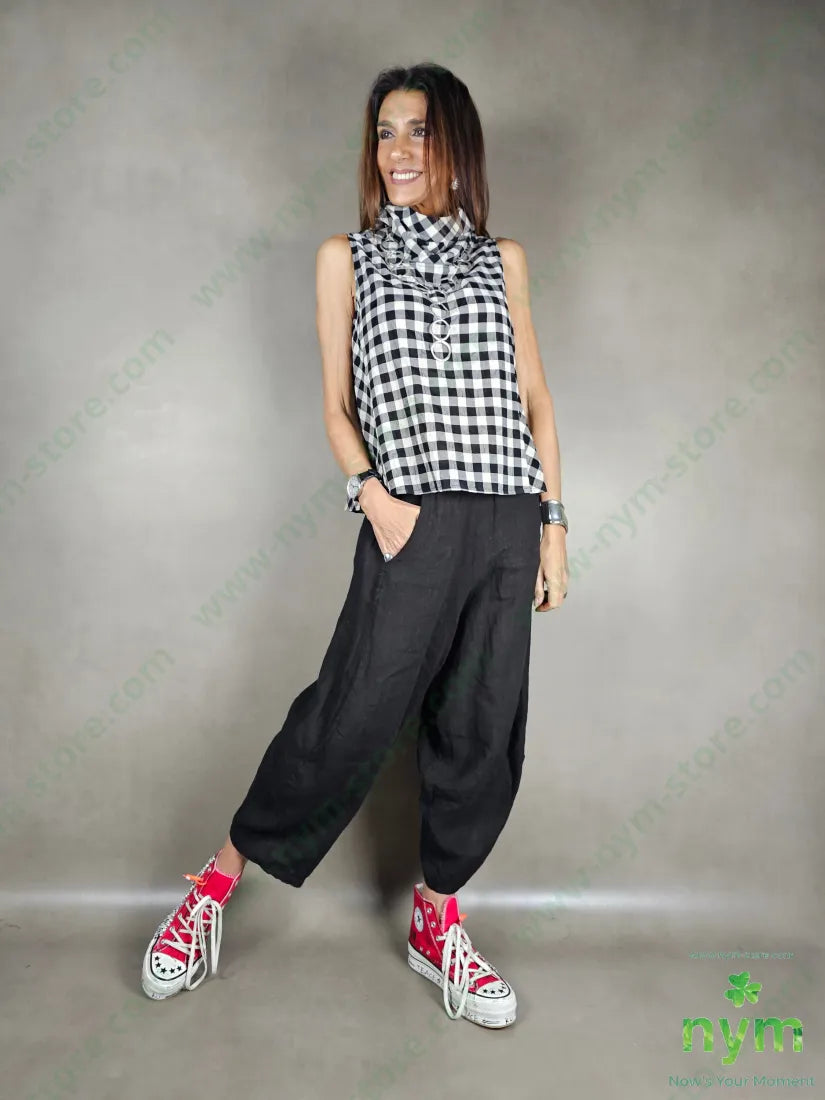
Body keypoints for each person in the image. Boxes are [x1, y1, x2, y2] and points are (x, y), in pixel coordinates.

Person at [141, 61, 569, 1028]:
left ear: (456, 143)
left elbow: (536, 398)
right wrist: (371, 497)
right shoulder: (348, 257)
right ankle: (211, 888)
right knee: (347, 714)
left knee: (481, 724)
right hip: (408, 518)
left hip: (506, 517)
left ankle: (437, 921)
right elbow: (335, 405)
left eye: (419, 130)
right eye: (384, 132)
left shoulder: (502, 258)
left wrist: (551, 523)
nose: (398, 150)